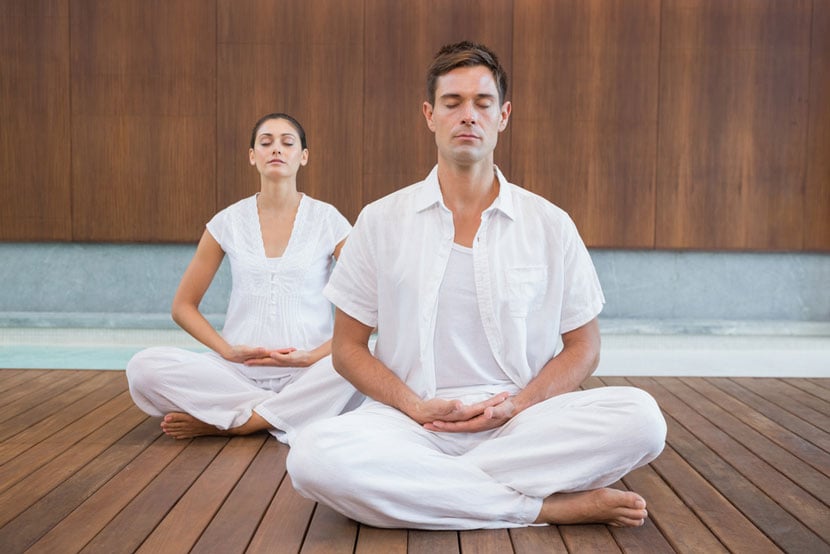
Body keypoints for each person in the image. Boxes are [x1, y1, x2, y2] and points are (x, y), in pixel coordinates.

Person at [287, 42, 666, 529]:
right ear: (430, 115)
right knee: (312, 457)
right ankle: (539, 507)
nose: (468, 115)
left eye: (482, 103)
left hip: (522, 423)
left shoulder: (549, 223)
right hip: (411, 423)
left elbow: (584, 346)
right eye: (453, 103)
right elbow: (347, 349)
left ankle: (433, 490)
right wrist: (414, 405)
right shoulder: (380, 221)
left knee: (642, 419)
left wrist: (517, 405)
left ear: (503, 115)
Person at [126, 113, 362, 444]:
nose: (276, 149)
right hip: (236, 374)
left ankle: (236, 422)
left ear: (303, 156)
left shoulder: (328, 221)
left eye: (287, 142)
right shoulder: (228, 222)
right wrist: (227, 351)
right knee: (142, 368)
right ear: (252, 156)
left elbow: (370, 301)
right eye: (265, 143)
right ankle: (285, 414)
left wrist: (312, 356)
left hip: (309, 373)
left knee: (370, 358)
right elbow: (182, 307)